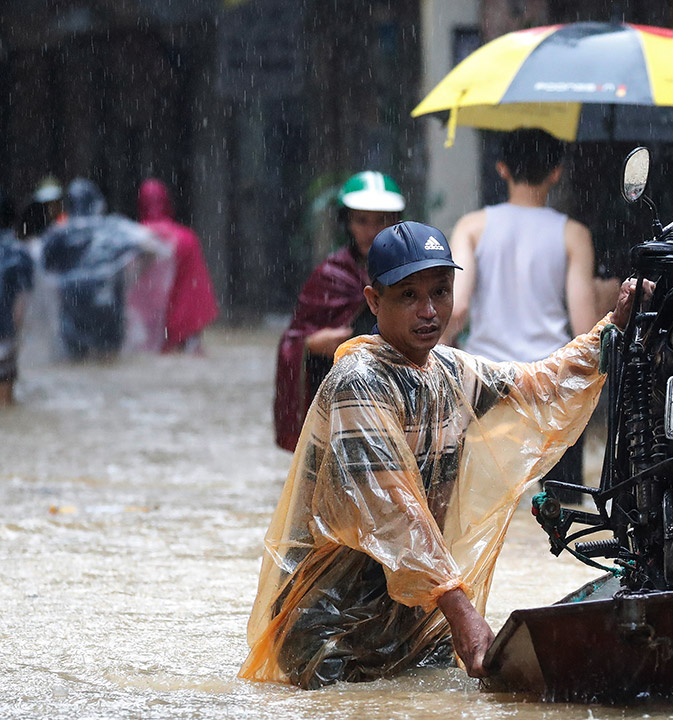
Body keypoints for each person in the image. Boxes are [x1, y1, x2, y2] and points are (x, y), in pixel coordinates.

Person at [240, 221, 638, 689]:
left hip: (411, 620)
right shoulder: (358, 383)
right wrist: (463, 616)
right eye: (408, 296)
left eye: (440, 292)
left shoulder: (448, 370)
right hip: (328, 628)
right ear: (373, 301)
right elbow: (393, 514)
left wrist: (613, 328)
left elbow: (541, 387)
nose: (429, 311)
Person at [443, 128, 598, 489]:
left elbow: (458, 306)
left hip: (486, 382)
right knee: (562, 509)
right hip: (549, 385)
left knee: (481, 504)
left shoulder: (472, 226)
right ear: (556, 172)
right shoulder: (573, 234)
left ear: (502, 169)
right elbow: (585, 330)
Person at [272, 171, 404, 452]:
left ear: (396, 221)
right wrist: (311, 344)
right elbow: (293, 340)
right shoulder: (331, 276)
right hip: (344, 405)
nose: (371, 231)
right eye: (361, 220)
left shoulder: (414, 274)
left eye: (382, 220)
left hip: (401, 399)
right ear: (347, 223)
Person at [40, 178, 166, 360]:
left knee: (75, 363)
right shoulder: (113, 227)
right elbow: (152, 248)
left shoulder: (59, 232)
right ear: (97, 202)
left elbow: (43, 265)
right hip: (107, 302)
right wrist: (131, 278)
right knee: (109, 362)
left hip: (73, 303)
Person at [134, 178, 219, 353]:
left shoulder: (133, 239)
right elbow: (196, 291)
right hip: (183, 326)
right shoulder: (187, 239)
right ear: (167, 202)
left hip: (147, 328)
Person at [0, 189, 34, 405]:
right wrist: (15, 335)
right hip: (4, 334)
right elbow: (21, 302)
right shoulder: (19, 252)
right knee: (5, 402)